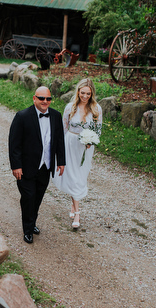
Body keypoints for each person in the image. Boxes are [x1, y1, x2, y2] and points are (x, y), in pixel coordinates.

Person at [9, 86, 66, 244]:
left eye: (48, 99)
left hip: (45, 167)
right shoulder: (22, 116)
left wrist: (61, 161)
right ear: (34, 98)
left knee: (38, 197)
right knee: (28, 197)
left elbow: (59, 141)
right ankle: (27, 230)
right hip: (26, 167)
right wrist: (16, 166)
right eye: (41, 98)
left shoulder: (55, 115)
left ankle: (32, 222)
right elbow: (14, 144)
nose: (45, 101)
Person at [52, 78, 102, 229]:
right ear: (78, 92)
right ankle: (77, 213)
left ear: (92, 94)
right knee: (72, 176)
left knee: (80, 177)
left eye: (88, 93)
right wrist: (60, 148)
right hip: (70, 143)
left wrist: (91, 141)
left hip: (85, 147)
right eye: (82, 93)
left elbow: (98, 130)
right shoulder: (70, 107)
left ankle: (74, 206)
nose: (85, 96)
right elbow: (64, 128)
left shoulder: (96, 109)